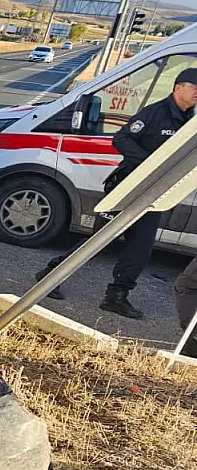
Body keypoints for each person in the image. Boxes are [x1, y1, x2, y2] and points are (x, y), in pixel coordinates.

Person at [35, 68, 197, 319]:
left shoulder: (190, 120)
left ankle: (116, 296)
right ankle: (51, 273)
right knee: (100, 241)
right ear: (179, 87)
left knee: (141, 249)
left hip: (155, 193)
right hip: (128, 187)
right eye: (195, 87)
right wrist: (149, 163)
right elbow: (121, 139)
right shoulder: (155, 113)